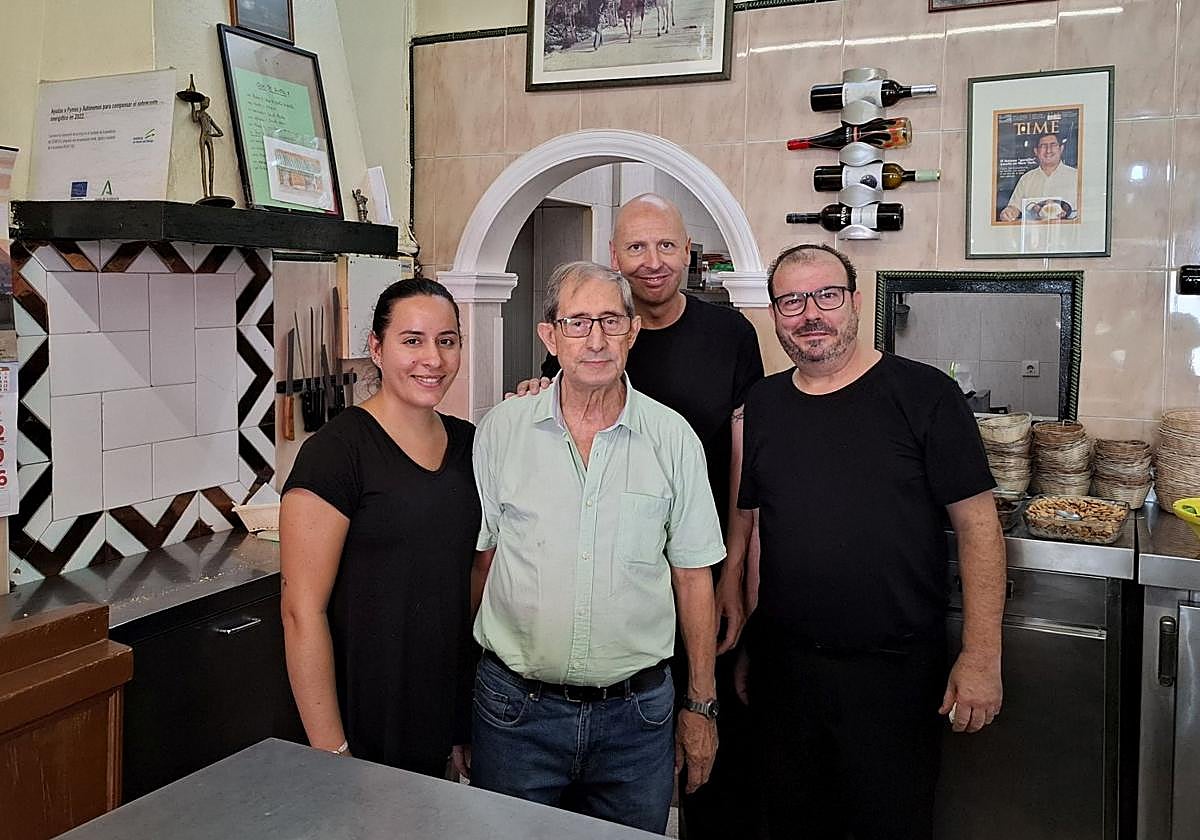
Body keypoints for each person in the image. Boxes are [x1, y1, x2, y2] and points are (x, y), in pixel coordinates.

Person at [731, 243, 1006, 840]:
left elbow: (979, 528)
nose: (811, 313)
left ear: (856, 302)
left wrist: (982, 656)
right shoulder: (764, 404)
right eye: (792, 301)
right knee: (789, 826)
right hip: (787, 671)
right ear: (775, 314)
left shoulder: (925, 395)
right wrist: (754, 637)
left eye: (827, 296)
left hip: (894, 674)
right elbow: (760, 529)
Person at [514, 192, 765, 840]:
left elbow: (745, 463)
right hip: (609, 585)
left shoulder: (730, 335)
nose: (652, 261)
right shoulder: (592, 334)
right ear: (613, 254)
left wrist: (733, 571)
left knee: (704, 741)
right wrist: (533, 391)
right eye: (635, 247)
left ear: (688, 251)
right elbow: (554, 410)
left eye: (666, 246)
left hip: (696, 572)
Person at [465, 261, 724, 834]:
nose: (597, 340)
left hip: (637, 722)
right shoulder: (501, 430)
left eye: (611, 321)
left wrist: (701, 704)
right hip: (514, 715)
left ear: (634, 331)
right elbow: (483, 564)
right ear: (549, 336)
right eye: (577, 323)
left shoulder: (673, 438)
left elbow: (692, 579)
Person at [279, 277, 480, 775]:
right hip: (363, 723)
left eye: (447, 341)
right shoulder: (336, 453)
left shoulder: (470, 445)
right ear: (376, 347)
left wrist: (461, 720)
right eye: (412, 340)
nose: (432, 359)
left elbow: (463, 595)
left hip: (437, 717)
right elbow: (301, 612)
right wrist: (333, 754)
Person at [999, 132, 1079, 222]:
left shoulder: (1076, 176)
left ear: (1061, 149)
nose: (1048, 150)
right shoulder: (1026, 179)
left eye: (1053, 145)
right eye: (1043, 146)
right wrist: (1008, 213)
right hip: (1034, 230)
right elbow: (1014, 207)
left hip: (1067, 229)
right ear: (1036, 151)